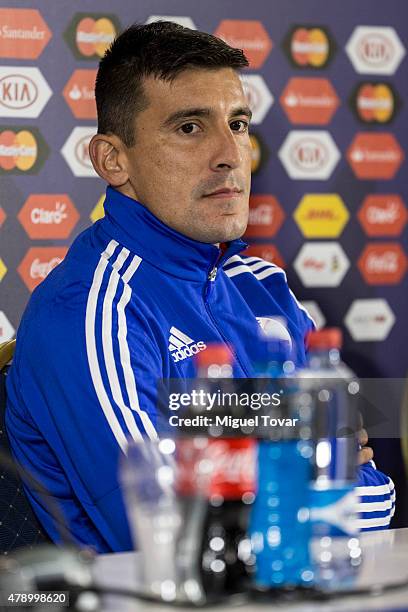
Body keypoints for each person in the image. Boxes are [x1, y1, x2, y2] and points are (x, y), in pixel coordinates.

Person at [6, 22, 395, 553]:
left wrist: (252, 469)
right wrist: (302, 462)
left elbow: (375, 500)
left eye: (237, 124)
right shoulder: (89, 311)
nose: (229, 154)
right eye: (190, 127)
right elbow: (174, 532)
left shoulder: (263, 288)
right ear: (112, 160)